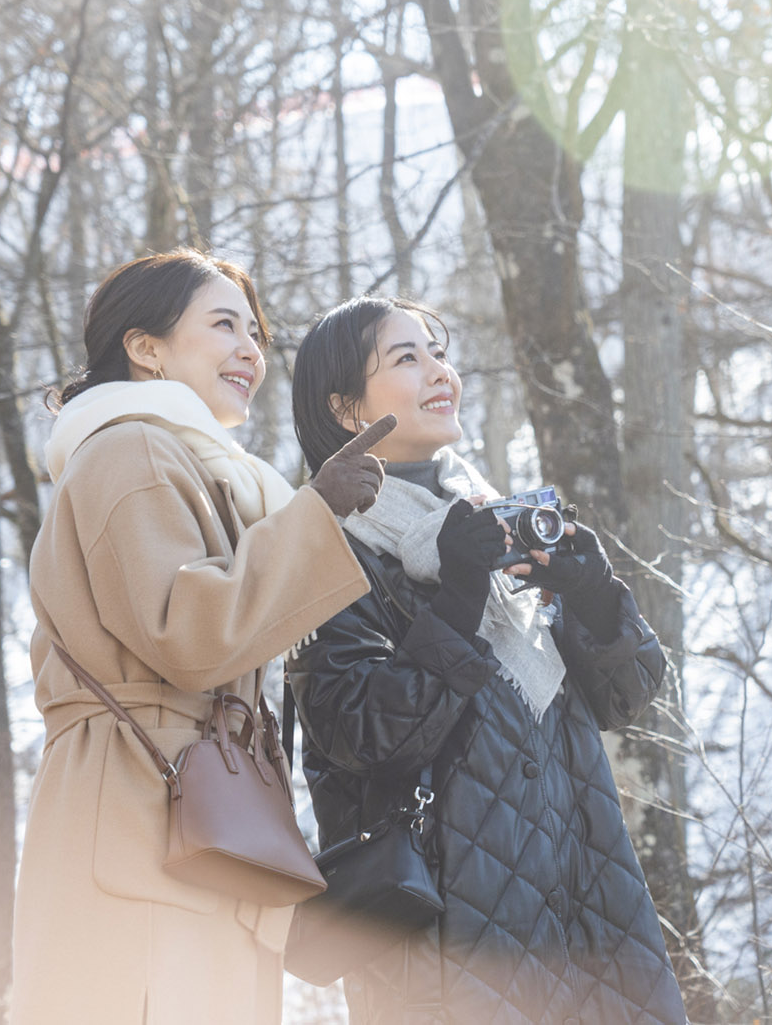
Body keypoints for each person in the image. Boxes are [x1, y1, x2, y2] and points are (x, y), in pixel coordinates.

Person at [9, 250, 395, 1025]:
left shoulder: (195, 462)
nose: (251, 348)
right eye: (224, 324)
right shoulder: (130, 448)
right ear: (144, 347)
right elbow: (187, 632)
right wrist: (313, 513)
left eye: (256, 331)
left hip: (192, 820)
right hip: (140, 817)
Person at [287, 297, 688, 1024]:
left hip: (593, 922)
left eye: (438, 352)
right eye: (406, 358)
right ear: (347, 409)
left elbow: (623, 699)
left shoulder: (489, 519)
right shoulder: (325, 548)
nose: (441, 371)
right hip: (449, 951)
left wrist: (596, 597)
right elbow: (364, 734)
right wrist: (458, 596)